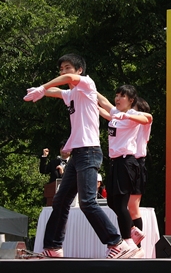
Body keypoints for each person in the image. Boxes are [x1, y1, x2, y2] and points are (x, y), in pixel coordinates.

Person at [23, 53, 135, 258]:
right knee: (60, 200)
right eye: (61, 69)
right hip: (78, 155)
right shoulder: (72, 94)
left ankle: (116, 243)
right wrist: (41, 91)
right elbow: (59, 91)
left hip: (89, 151)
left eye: (68, 67)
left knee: (87, 202)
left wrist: (43, 87)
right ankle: (53, 247)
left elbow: (67, 80)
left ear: (79, 70)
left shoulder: (87, 84)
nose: (63, 72)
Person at [98, 85, 151, 258]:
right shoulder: (116, 114)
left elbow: (148, 118)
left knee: (126, 206)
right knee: (112, 202)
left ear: (131, 101)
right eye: (117, 95)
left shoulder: (132, 116)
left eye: (122, 96)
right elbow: (105, 106)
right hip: (116, 162)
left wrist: (127, 115)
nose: (118, 98)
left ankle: (129, 242)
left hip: (128, 162)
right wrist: (90, 94)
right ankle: (133, 231)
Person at [129, 96, 153, 256]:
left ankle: (138, 247)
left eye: (133, 109)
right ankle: (128, 244)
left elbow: (148, 118)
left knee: (133, 208)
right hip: (126, 164)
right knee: (122, 207)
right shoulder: (128, 125)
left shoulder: (144, 124)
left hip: (138, 165)